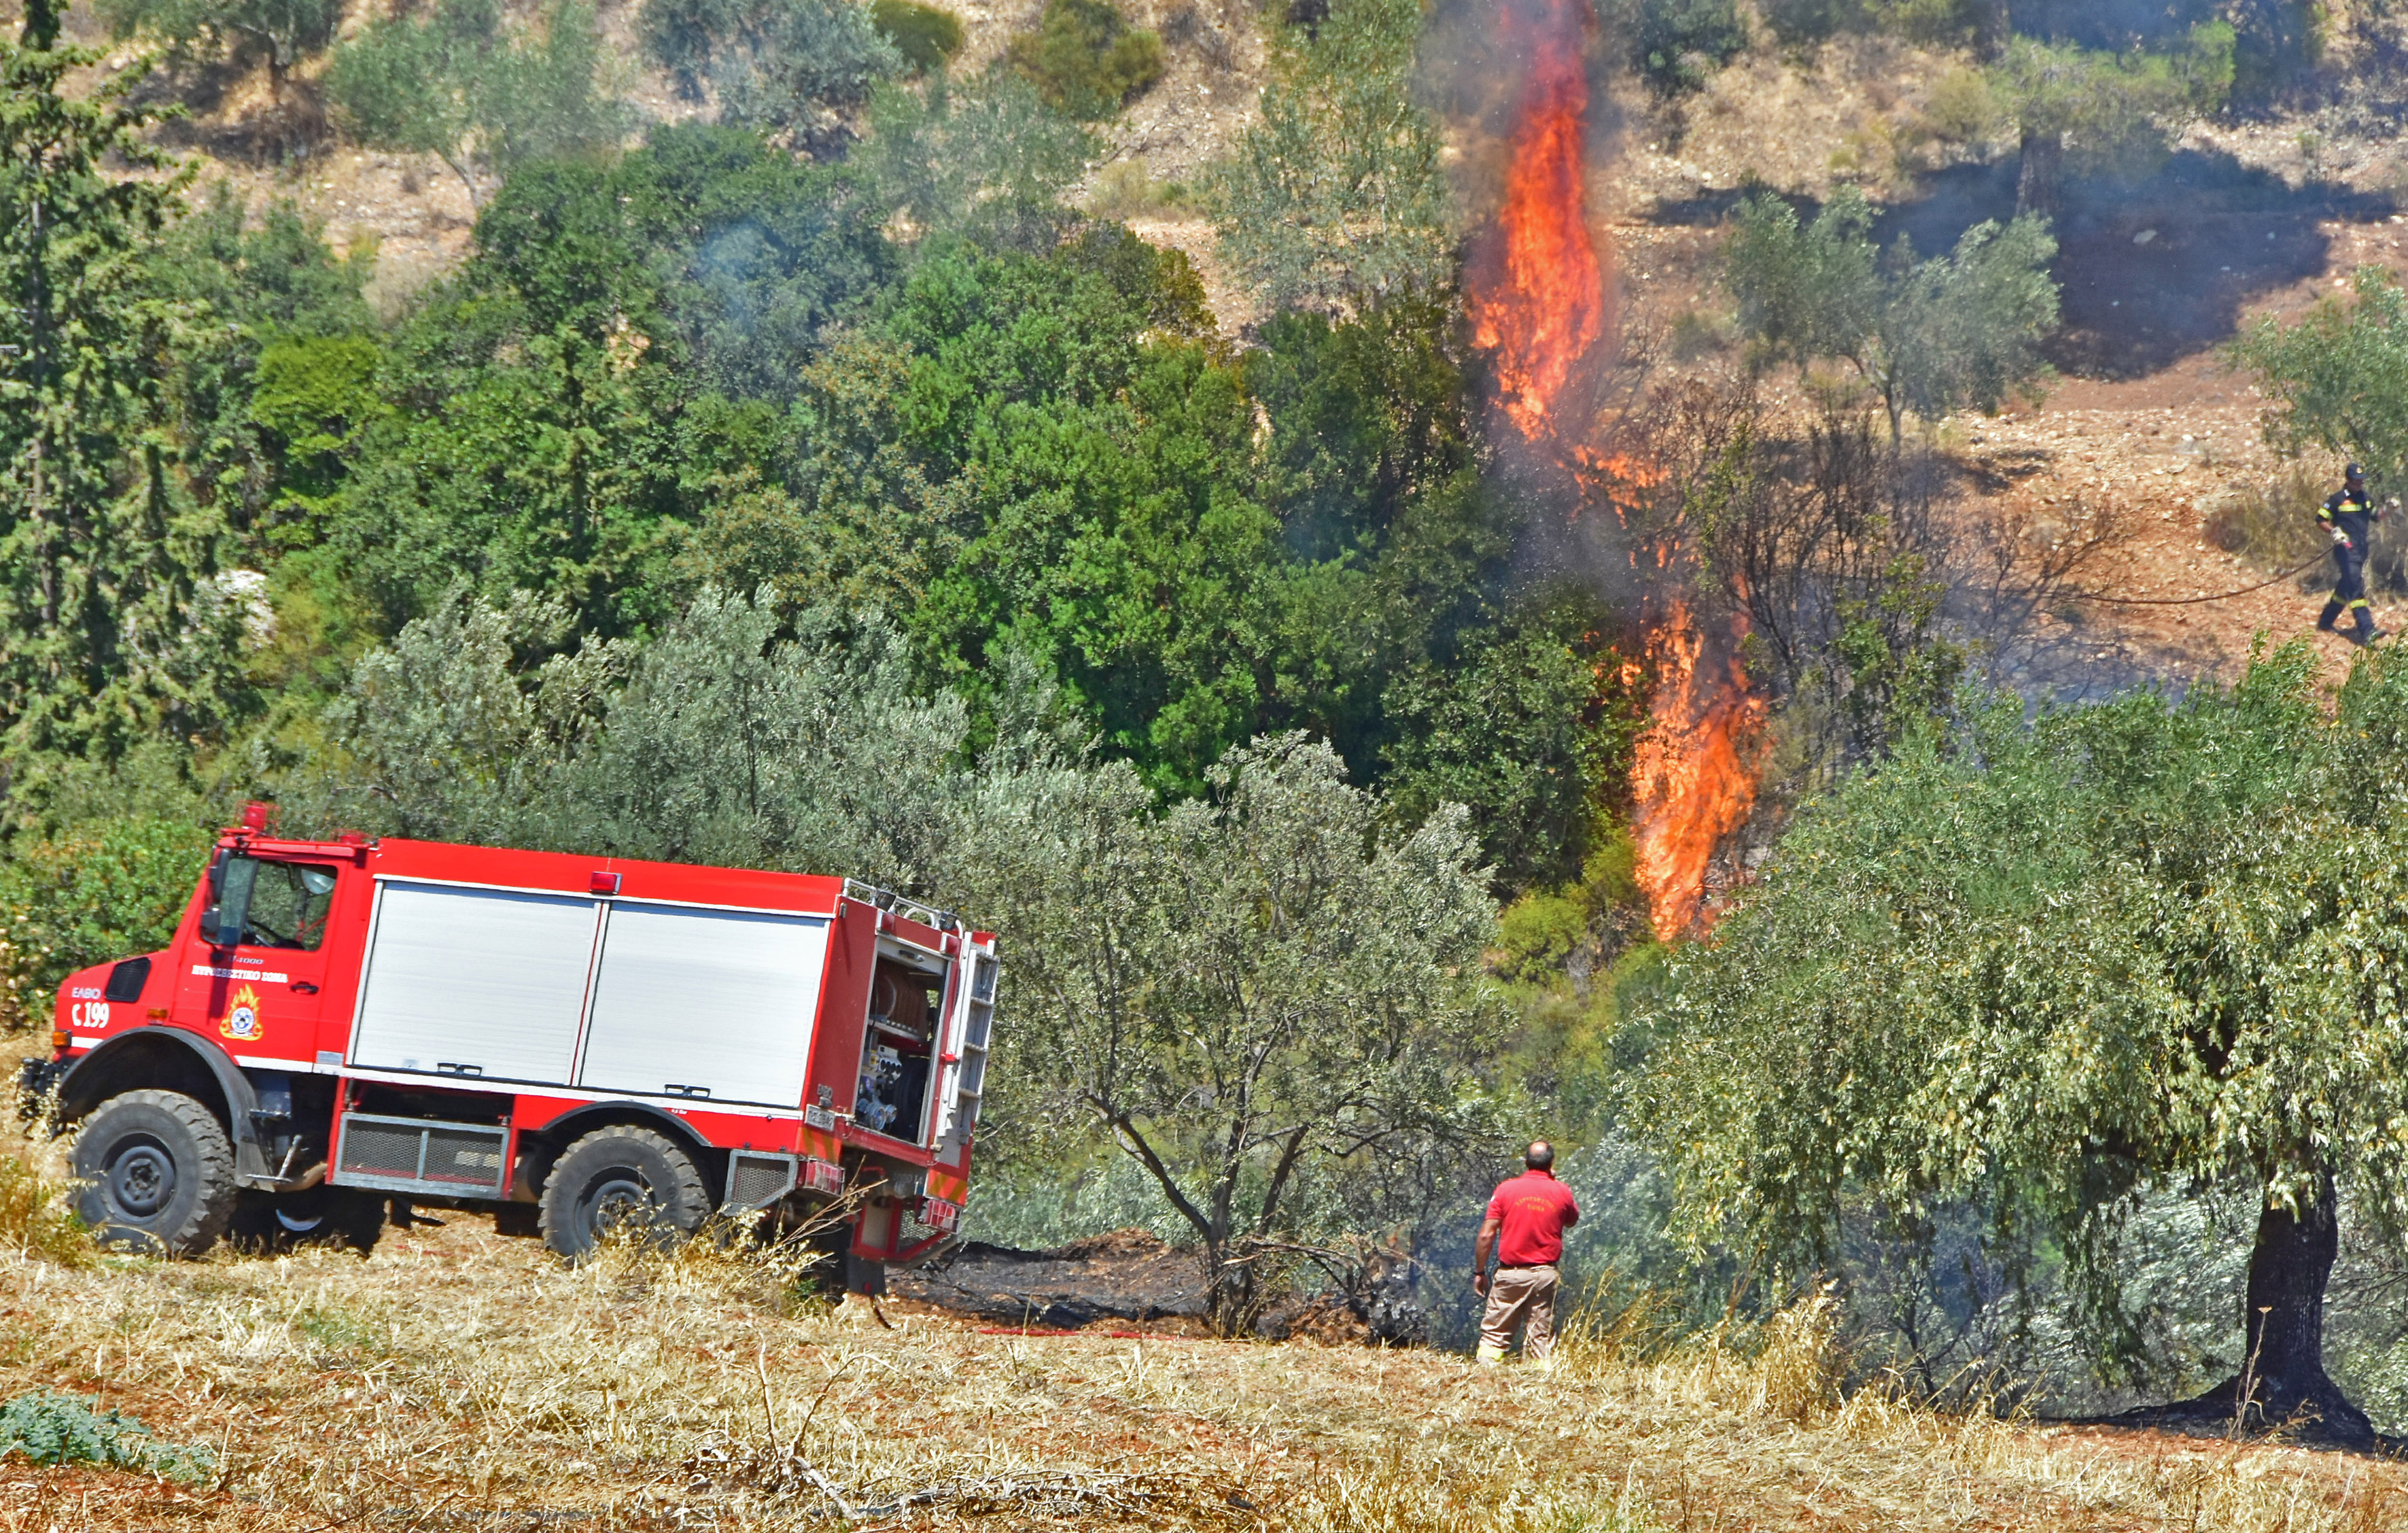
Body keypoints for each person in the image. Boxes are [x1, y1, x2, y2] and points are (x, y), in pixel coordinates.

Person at [1472, 1140, 1580, 1364]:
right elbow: (1572, 1221)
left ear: (1525, 1162)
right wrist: (1552, 1182)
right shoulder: (1561, 1191)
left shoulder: (1506, 1190)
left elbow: (1486, 1235)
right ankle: (1542, 1389)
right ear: (1551, 1163)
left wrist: (1479, 1271)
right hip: (1544, 1276)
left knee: (1493, 1339)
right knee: (1540, 1340)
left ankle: (1485, 1381)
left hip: (1511, 1274)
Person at [2318, 464, 2386, 647]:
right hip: (2345, 550)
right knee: (2356, 587)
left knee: (2345, 587)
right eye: (2356, 481)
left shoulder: (2365, 498)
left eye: (2361, 481)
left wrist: (2388, 509)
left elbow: (2376, 516)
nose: (2359, 484)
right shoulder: (2337, 499)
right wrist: (2334, 532)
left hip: (2361, 549)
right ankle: (2368, 631)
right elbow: (2321, 519)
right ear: (2348, 480)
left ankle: (2325, 622)